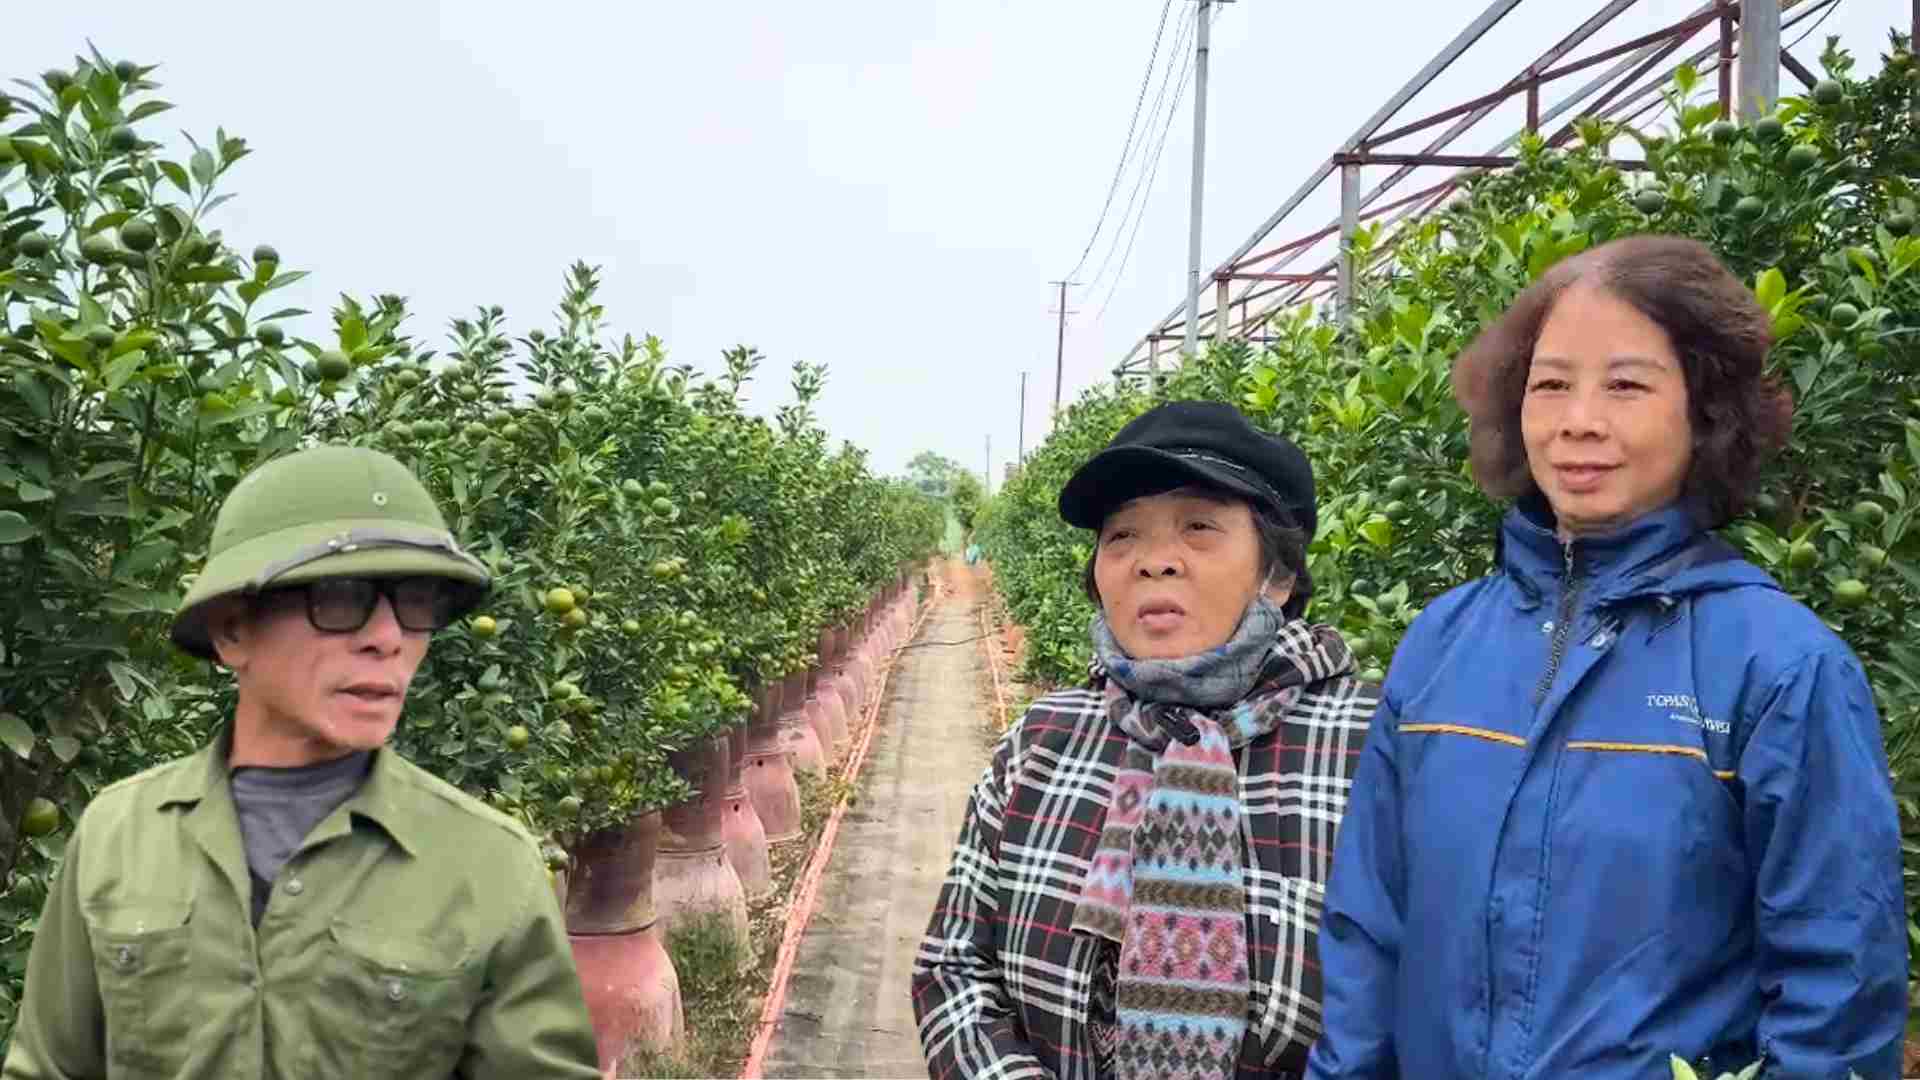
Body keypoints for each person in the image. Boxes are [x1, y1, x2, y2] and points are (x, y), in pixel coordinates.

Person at [1307, 234, 1908, 1080]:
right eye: (1550, 384)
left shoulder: (1779, 667)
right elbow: (1371, 927)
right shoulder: (1443, 642)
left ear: (1704, 411)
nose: (1577, 421)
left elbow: (1836, 988)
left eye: (1626, 385)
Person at [2, 445, 603, 1079]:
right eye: (341, 599)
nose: (389, 638)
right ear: (233, 632)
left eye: (416, 603)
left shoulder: (487, 862)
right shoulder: (118, 835)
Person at [914, 401, 1378, 1080]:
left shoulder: (1370, 752)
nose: (1154, 562)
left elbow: (1422, 1010)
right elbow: (953, 969)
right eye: (1123, 536)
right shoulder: (1044, 742)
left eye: (1199, 528)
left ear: (1276, 575)